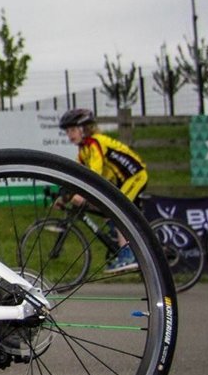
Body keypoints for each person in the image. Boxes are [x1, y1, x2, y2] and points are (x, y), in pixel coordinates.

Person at [58, 106, 148, 272]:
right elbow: (76, 173)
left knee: (119, 212)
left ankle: (128, 255)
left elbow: (94, 174)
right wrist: (64, 195)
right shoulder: (83, 149)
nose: (69, 135)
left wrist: (81, 195)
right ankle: (123, 237)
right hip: (119, 180)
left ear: (84, 129)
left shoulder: (95, 142)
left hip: (134, 176)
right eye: (67, 131)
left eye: (72, 130)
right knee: (107, 209)